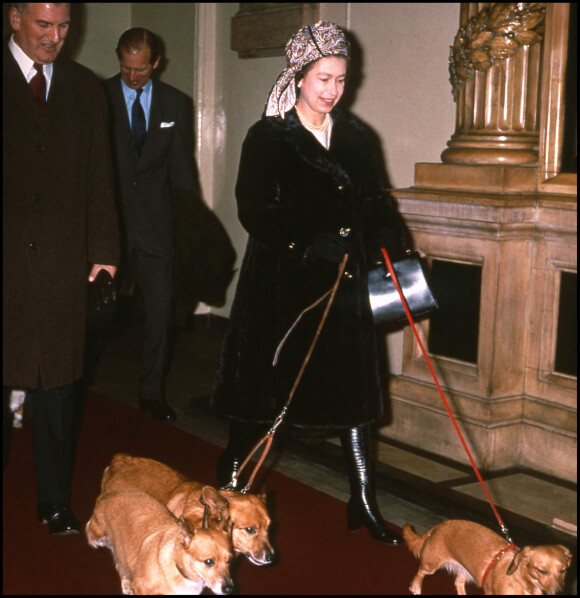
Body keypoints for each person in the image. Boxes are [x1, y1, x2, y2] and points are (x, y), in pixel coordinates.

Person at [211, 21, 408, 545]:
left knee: (353, 396)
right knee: (263, 396)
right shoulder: (269, 137)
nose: (332, 90)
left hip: (343, 289)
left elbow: (374, 203)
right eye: (323, 78)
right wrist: (307, 240)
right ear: (298, 76)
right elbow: (254, 209)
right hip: (281, 287)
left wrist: (393, 247)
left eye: (341, 80)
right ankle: (227, 486)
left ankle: (362, 497)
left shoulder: (356, 136)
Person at [3, 3, 120, 535]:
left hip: (60, 264)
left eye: (64, 26)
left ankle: (53, 503)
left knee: (59, 389)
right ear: (15, 19)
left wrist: (105, 253)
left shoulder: (84, 87)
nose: (55, 37)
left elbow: (101, 175)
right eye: (43, 26)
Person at [102, 28, 198, 422]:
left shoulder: (176, 103)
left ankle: (152, 392)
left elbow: (182, 172)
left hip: (157, 226)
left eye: (140, 70)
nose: (132, 76)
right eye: (126, 68)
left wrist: (189, 228)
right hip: (109, 223)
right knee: (90, 313)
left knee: (160, 312)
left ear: (155, 63)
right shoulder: (98, 96)